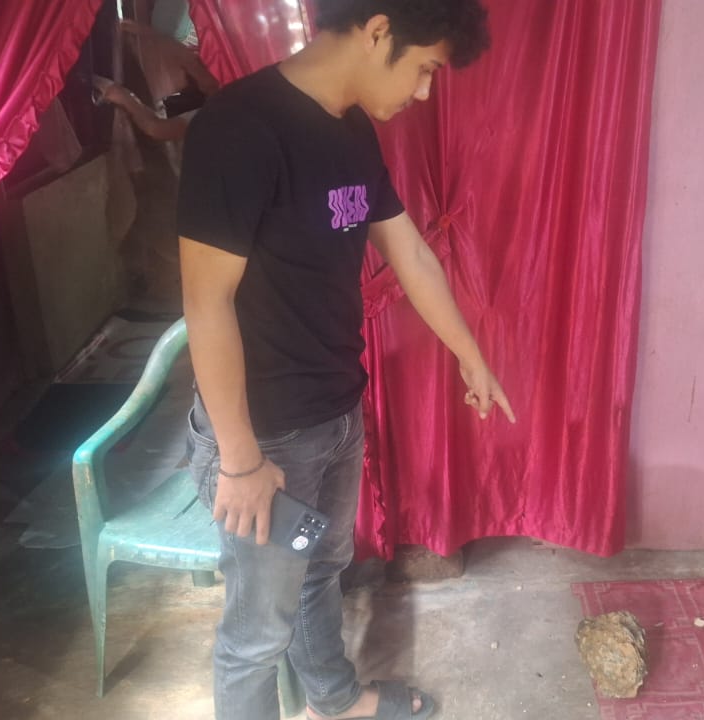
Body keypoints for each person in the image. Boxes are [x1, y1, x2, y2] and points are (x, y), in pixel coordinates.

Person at [175, 2, 512, 719]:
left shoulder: (352, 130)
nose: (424, 91)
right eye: (424, 69)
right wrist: (240, 459)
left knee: (320, 568)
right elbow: (206, 303)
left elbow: (408, 250)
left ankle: (334, 699)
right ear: (378, 30)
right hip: (265, 441)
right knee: (256, 636)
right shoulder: (239, 129)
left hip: (334, 417)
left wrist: (471, 356)